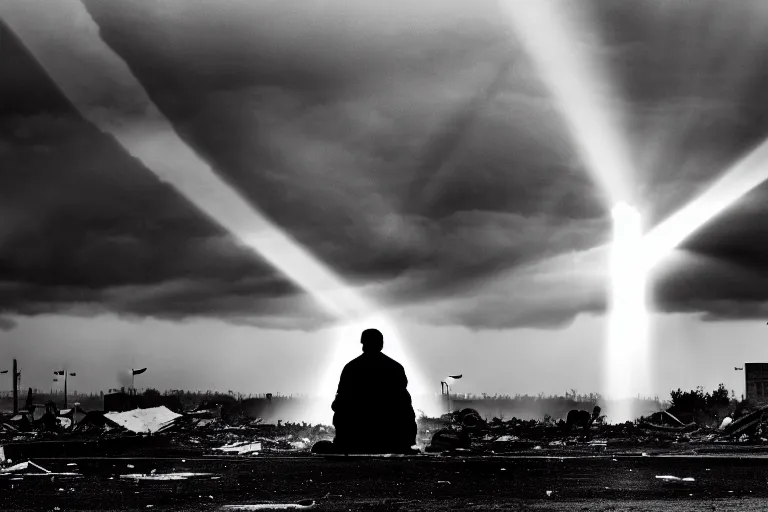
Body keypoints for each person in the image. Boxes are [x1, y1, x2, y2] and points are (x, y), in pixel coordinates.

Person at [330, 328, 417, 454]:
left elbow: (339, 402)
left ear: (363, 344)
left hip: (356, 438)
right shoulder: (395, 368)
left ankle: (345, 442)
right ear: (381, 344)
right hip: (391, 438)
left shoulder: (351, 368)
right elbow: (404, 402)